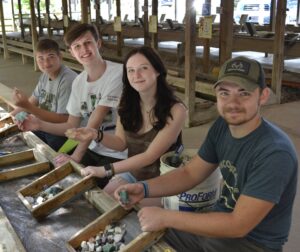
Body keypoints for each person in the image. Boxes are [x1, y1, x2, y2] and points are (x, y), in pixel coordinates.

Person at [114, 56, 298, 252]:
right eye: (224, 93)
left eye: (243, 93)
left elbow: (238, 225)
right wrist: (143, 189)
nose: (232, 103)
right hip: (217, 226)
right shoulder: (222, 126)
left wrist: (166, 216)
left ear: (263, 95)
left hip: (252, 243)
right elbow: (190, 173)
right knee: (139, 236)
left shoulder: (274, 152)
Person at [67, 46, 187, 196]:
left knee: (132, 207)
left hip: (163, 180)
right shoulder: (127, 103)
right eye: (130, 70)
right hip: (134, 174)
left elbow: (149, 156)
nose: (136, 75)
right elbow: (120, 143)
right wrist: (94, 134)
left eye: (143, 68)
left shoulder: (176, 110)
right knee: (105, 197)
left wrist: (104, 170)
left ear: (157, 71)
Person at [19, 23, 127, 167]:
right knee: (58, 173)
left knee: (94, 184)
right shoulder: (78, 82)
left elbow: (95, 119)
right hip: (92, 148)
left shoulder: (118, 73)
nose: (84, 49)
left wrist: (75, 156)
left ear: (98, 43)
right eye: (77, 46)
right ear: (71, 52)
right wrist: (39, 124)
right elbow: (71, 125)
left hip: (119, 154)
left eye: (88, 43)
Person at [10, 38, 77, 151]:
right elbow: (32, 101)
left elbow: (63, 119)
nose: (46, 63)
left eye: (51, 57)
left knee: (40, 149)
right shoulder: (45, 76)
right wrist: (10, 116)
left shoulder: (68, 81)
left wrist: (28, 107)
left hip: (65, 133)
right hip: (46, 125)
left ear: (60, 57)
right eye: (41, 58)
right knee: (16, 136)